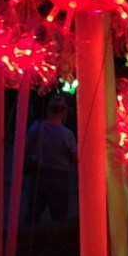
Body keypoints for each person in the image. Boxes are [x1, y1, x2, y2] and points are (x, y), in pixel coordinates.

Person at [24, 95, 77, 224]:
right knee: (59, 217)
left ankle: (29, 235)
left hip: (38, 174)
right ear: (64, 112)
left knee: (33, 215)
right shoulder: (67, 134)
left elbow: (26, 147)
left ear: (48, 108)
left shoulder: (37, 126)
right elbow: (75, 158)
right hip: (59, 176)